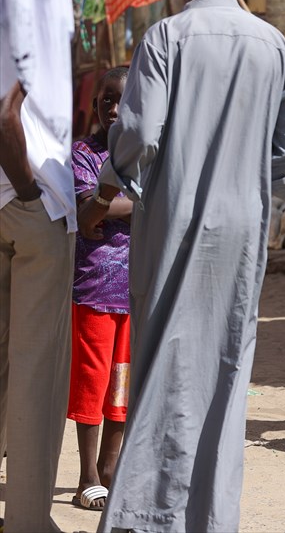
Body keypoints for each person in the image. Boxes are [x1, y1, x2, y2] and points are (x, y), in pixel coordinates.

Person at [79, 0, 285, 532]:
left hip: (173, 226)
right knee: (226, 369)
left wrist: (104, 191)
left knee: (163, 363)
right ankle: (210, 517)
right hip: (244, 231)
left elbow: (137, 136)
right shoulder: (273, 44)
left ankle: (143, 517)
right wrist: (267, 203)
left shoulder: (164, 40)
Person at [0, 0, 93, 531]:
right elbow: (6, 113)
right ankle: (29, 519)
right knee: (35, 375)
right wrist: (29, 188)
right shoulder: (28, 12)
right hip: (30, 205)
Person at [67, 67, 131, 512]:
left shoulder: (147, 155)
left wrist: (112, 206)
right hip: (93, 288)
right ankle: (86, 474)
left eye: (122, 100)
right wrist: (141, 203)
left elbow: (104, 209)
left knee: (121, 383)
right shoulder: (83, 155)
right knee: (92, 381)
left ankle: (111, 470)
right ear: (95, 107)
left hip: (138, 289)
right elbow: (88, 213)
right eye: (106, 100)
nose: (113, 108)